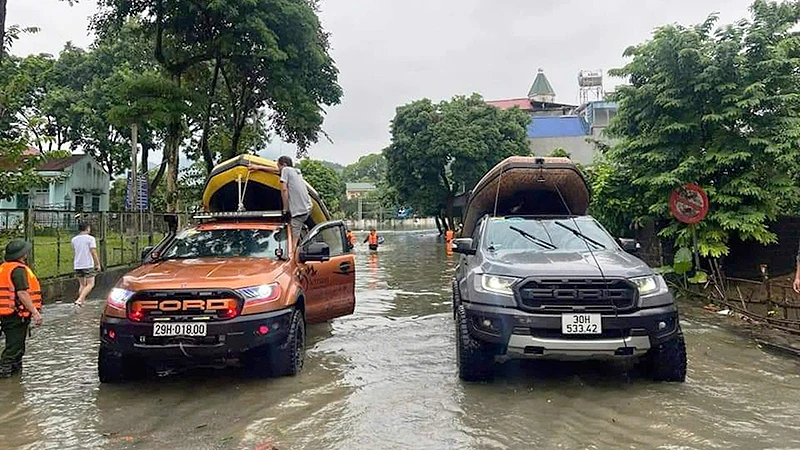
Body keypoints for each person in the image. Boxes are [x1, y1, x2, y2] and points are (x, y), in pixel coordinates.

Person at [0, 239, 43, 378]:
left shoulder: (4, 267)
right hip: (16, 314)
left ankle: (15, 382)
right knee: (14, 348)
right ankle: (5, 376)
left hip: (7, 313)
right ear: (22, 254)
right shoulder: (18, 270)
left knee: (17, 348)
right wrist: (35, 312)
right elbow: (22, 293)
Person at [250, 156, 313, 245]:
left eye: (278, 166)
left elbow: (284, 190)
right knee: (296, 231)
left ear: (284, 165)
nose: (278, 169)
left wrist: (285, 209)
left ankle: (294, 255)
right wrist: (259, 167)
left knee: (293, 241)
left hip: (299, 212)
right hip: (307, 208)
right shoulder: (295, 172)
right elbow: (276, 170)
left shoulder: (286, 170)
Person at [72, 222, 101, 307]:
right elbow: (93, 252)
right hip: (88, 264)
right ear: (87, 228)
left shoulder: (74, 239)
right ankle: (80, 300)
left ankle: (81, 301)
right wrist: (97, 264)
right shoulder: (90, 239)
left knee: (82, 284)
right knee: (91, 284)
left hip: (77, 264)